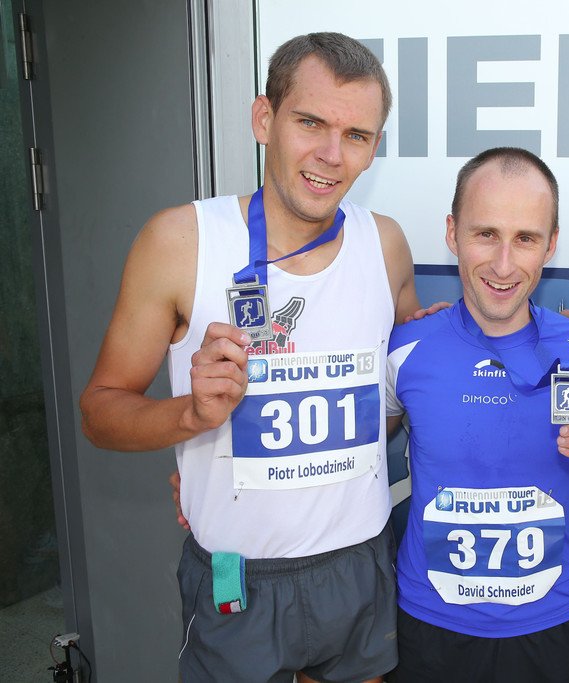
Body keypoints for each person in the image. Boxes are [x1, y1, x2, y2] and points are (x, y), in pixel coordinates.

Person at [79, 33, 420, 683]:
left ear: (374, 146)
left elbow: (410, 386)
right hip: (239, 574)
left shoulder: (386, 245)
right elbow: (99, 411)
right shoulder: (181, 241)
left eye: (355, 135)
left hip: (359, 561)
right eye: (310, 122)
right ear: (265, 119)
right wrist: (191, 418)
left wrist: (563, 328)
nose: (331, 155)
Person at [385, 147, 569, 682]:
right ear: (452, 233)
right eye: (485, 234)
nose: (503, 265)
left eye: (525, 238)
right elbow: (360, 452)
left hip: (549, 630)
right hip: (429, 628)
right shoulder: (405, 347)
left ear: (551, 244)